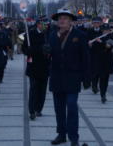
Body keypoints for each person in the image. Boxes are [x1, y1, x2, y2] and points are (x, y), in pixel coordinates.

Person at [47, 9, 90, 146]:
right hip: (57, 77)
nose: (62, 20)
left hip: (73, 77)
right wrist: (45, 52)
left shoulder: (80, 35)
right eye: (60, 18)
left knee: (71, 106)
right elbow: (49, 56)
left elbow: (86, 58)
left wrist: (86, 77)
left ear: (71, 21)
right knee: (58, 108)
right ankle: (61, 134)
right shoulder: (52, 35)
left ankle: (74, 137)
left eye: (65, 18)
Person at [22, 18, 50, 120]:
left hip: (45, 66)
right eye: (44, 24)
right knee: (34, 89)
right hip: (34, 66)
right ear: (38, 24)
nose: (46, 26)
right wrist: (30, 50)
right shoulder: (30, 35)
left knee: (42, 90)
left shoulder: (48, 34)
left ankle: (39, 109)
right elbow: (24, 49)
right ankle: (32, 110)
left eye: (47, 24)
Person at [88, 24, 113, 103]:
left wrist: (101, 42)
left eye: (107, 30)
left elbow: (108, 46)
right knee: (98, 77)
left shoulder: (111, 37)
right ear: (102, 30)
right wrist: (90, 44)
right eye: (104, 30)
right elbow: (93, 50)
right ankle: (98, 91)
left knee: (105, 79)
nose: (106, 31)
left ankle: (104, 94)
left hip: (107, 61)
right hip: (98, 61)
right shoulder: (97, 37)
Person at [88, 17, 103, 94]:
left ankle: (96, 85)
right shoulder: (89, 31)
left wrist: (101, 42)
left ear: (100, 24)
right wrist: (89, 45)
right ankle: (94, 86)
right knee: (93, 71)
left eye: (97, 23)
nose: (96, 24)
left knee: (99, 71)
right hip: (92, 54)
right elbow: (86, 42)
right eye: (94, 23)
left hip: (101, 54)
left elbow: (105, 42)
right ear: (92, 24)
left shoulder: (102, 32)